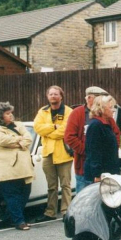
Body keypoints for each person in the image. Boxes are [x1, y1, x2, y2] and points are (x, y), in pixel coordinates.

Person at [0, 102, 34, 230]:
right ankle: (19, 221)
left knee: (25, 192)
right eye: (7, 113)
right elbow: (3, 140)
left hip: (23, 168)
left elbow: (29, 138)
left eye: (11, 112)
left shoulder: (18, 125)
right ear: (0, 116)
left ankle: (15, 219)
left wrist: (17, 141)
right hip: (6, 169)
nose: (11, 115)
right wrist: (20, 140)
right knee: (12, 196)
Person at [64, 86, 120, 192]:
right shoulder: (77, 113)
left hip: (103, 166)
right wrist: (88, 151)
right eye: (100, 97)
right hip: (86, 167)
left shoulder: (107, 118)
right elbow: (69, 137)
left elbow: (116, 134)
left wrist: (111, 151)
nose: (103, 100)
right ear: (90, 98)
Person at [33, 85, 73, 221]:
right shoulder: (42, 111)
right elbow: (37, 128)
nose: (53, 96)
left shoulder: (68, 111)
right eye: (51, 94)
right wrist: (54, 127)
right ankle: (50, 212)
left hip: (64, 153)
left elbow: (67, 130)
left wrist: (50, 133)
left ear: (61, 96)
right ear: (47, 96)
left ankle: (66, 212)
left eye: (56, 94)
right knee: (51, 186)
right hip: (48, 153)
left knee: (66, 185)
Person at [84, 95, 120, 183]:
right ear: (102, 109)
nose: (113, 110)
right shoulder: (96, 125)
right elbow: (94, 151)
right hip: (101, 175)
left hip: (108, 172)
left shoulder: (106, 124)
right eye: (110, 107)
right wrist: (97, 174)